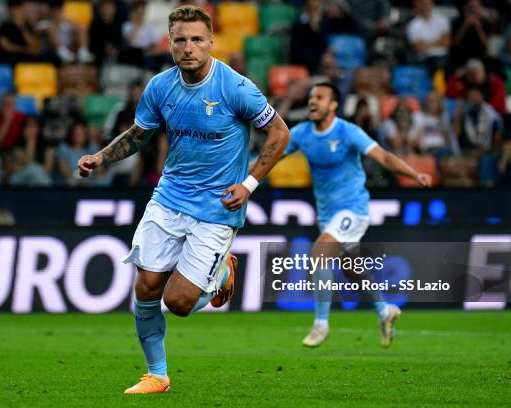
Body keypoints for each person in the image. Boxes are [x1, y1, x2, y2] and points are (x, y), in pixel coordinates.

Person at [77, 5, 289, 394]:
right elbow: (138, 135)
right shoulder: (160, 86)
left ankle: (223, 271)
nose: (188, 47)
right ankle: (157, 374)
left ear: (211, 42)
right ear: (169, 44)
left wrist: (249, 185)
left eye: (196, 40)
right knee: (146, 287)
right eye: (180, 40)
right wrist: (101, 157)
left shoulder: (235, 87)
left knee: (179, 302)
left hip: (216, 207)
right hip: (170, 196)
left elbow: (279, 133)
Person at [278, 82, 432, 348]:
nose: (313, 102)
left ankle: (320, 324)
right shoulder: (302, 133)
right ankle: (384, 310)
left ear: (334, 105)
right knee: (352, 269)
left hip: (353, 209)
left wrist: (413, 173)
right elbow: (270, 156)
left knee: (319, 252)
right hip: (327, 213)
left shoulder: (348, 132)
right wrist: (244, 177)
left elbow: (382, 157)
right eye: (311, 97)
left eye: (320, 97)